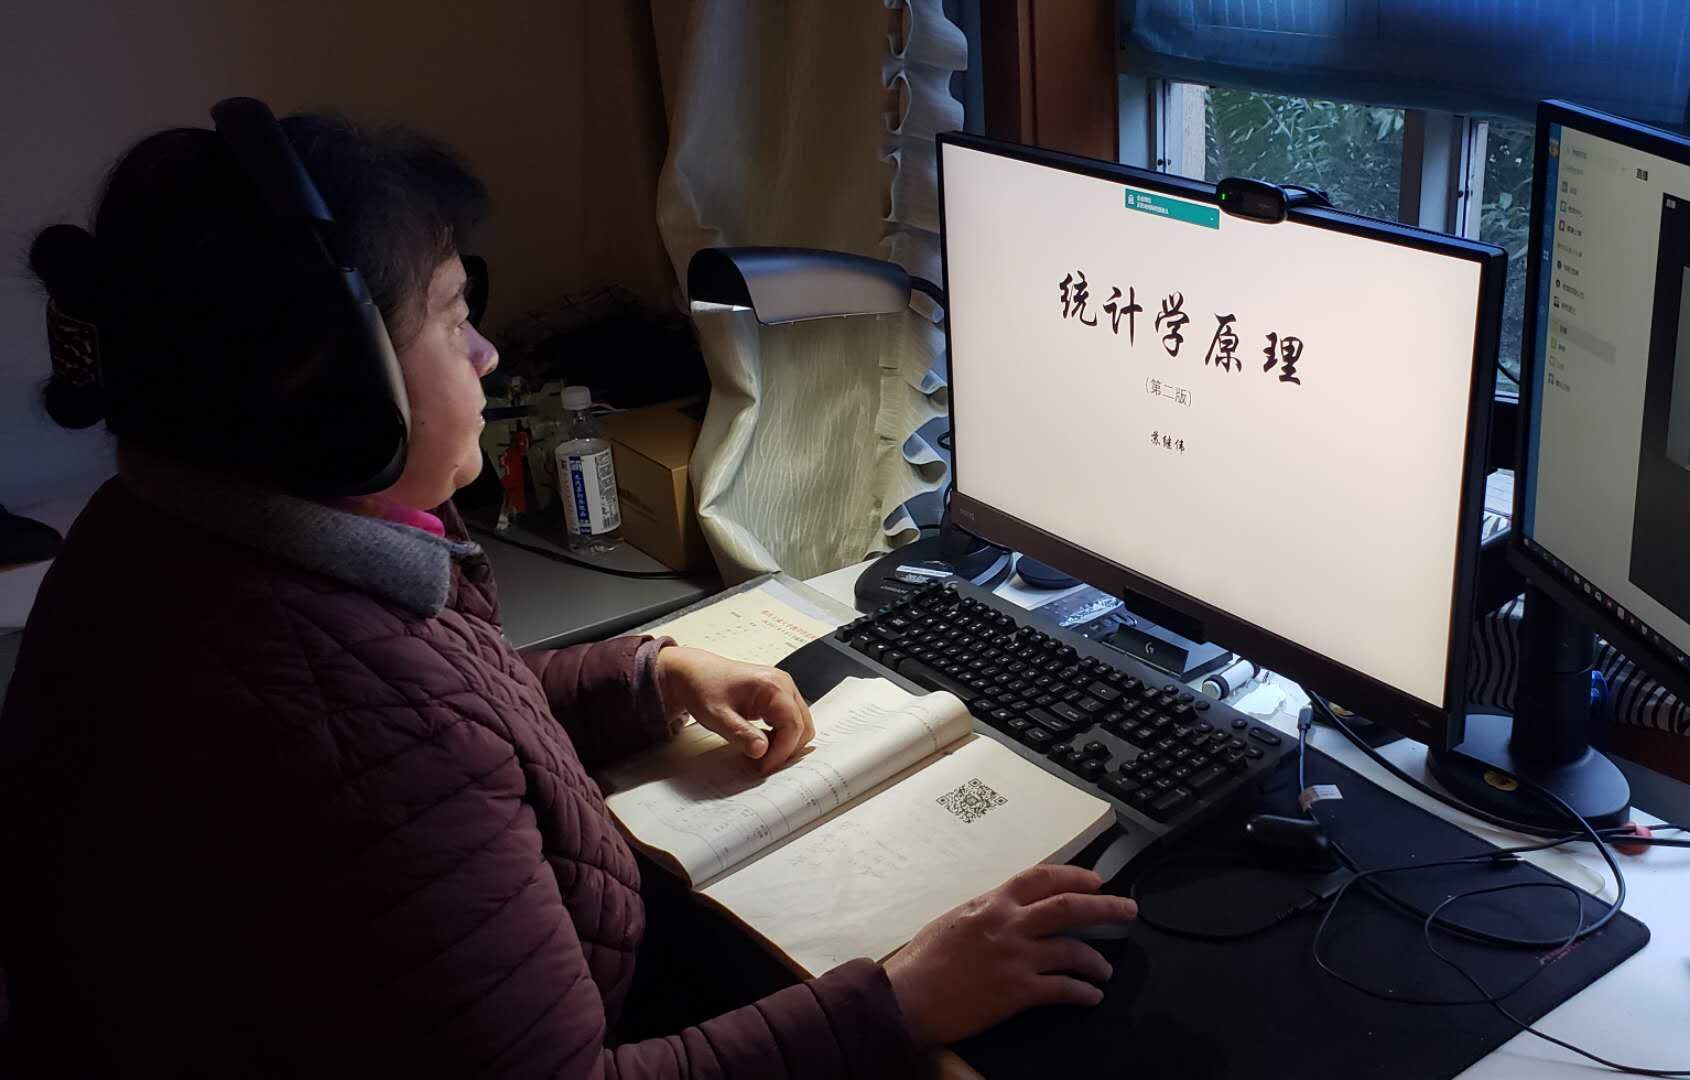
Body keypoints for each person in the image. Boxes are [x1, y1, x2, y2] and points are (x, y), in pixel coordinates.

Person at [0, 109, 1131, 1076]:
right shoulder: (320, 715)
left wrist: (648, 676)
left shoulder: (163, 534)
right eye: (454, 318)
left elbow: (413, 700)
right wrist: (898, 1004)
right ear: (335, 389)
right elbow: (383, 741)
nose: (489, 355)